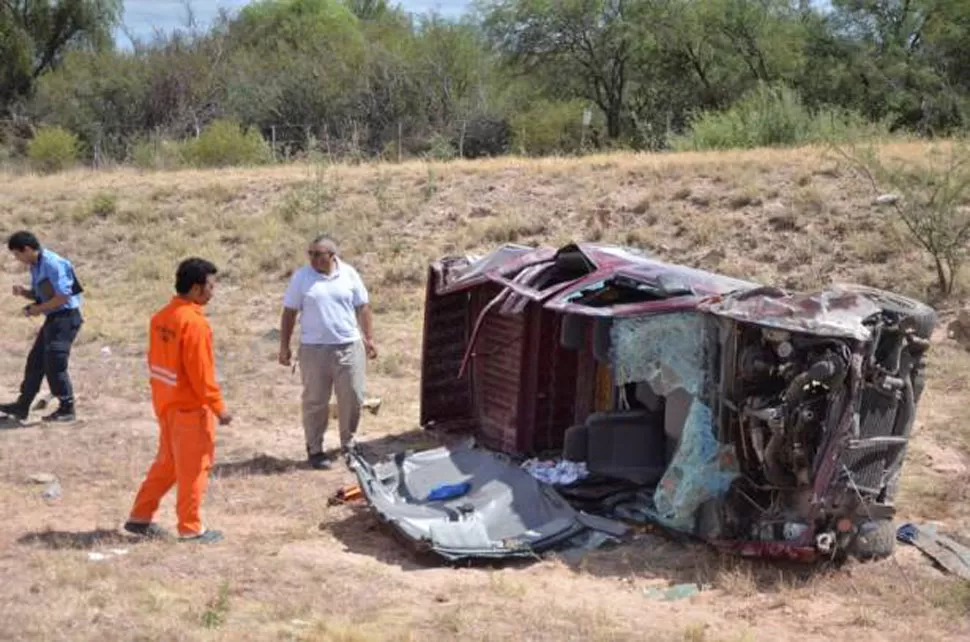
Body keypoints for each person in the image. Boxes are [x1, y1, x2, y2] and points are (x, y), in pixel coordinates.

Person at [124, 258, 232, 543]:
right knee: (195, 468)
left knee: (168, 464)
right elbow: (201, 373)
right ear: (196, 288)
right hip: (189, 408)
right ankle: (191, 528)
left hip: (165, 404)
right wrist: (219, 408)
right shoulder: (194, 324)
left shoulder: (161, 317)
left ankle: (140, 516)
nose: (213, 292)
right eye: (210, 286)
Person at [278, 236, 377, 470]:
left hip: (348, 345)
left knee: (352, 396)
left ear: (332, 255)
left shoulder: (349, 274)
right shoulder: (302, 277)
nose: (312, 258)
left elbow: (362, 307)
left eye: (317, 254)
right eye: (310, 253)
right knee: (315, 400)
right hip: (314, 350)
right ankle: (315, 449)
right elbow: (289, 312)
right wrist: (284, 345)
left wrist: (369, 338)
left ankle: (349, 444)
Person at [1, 231, 84, 423]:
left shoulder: (52, 264)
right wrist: (25, 293)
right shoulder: (36, 266)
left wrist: (38, 309)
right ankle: (21, 406)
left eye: (17, 254)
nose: (17, 259)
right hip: (54, 318)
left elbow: (63, 297)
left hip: (66, 318)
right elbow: (44, 296)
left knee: (54, 362)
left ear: (27, 249)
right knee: (35, 362)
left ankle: (67, 408)